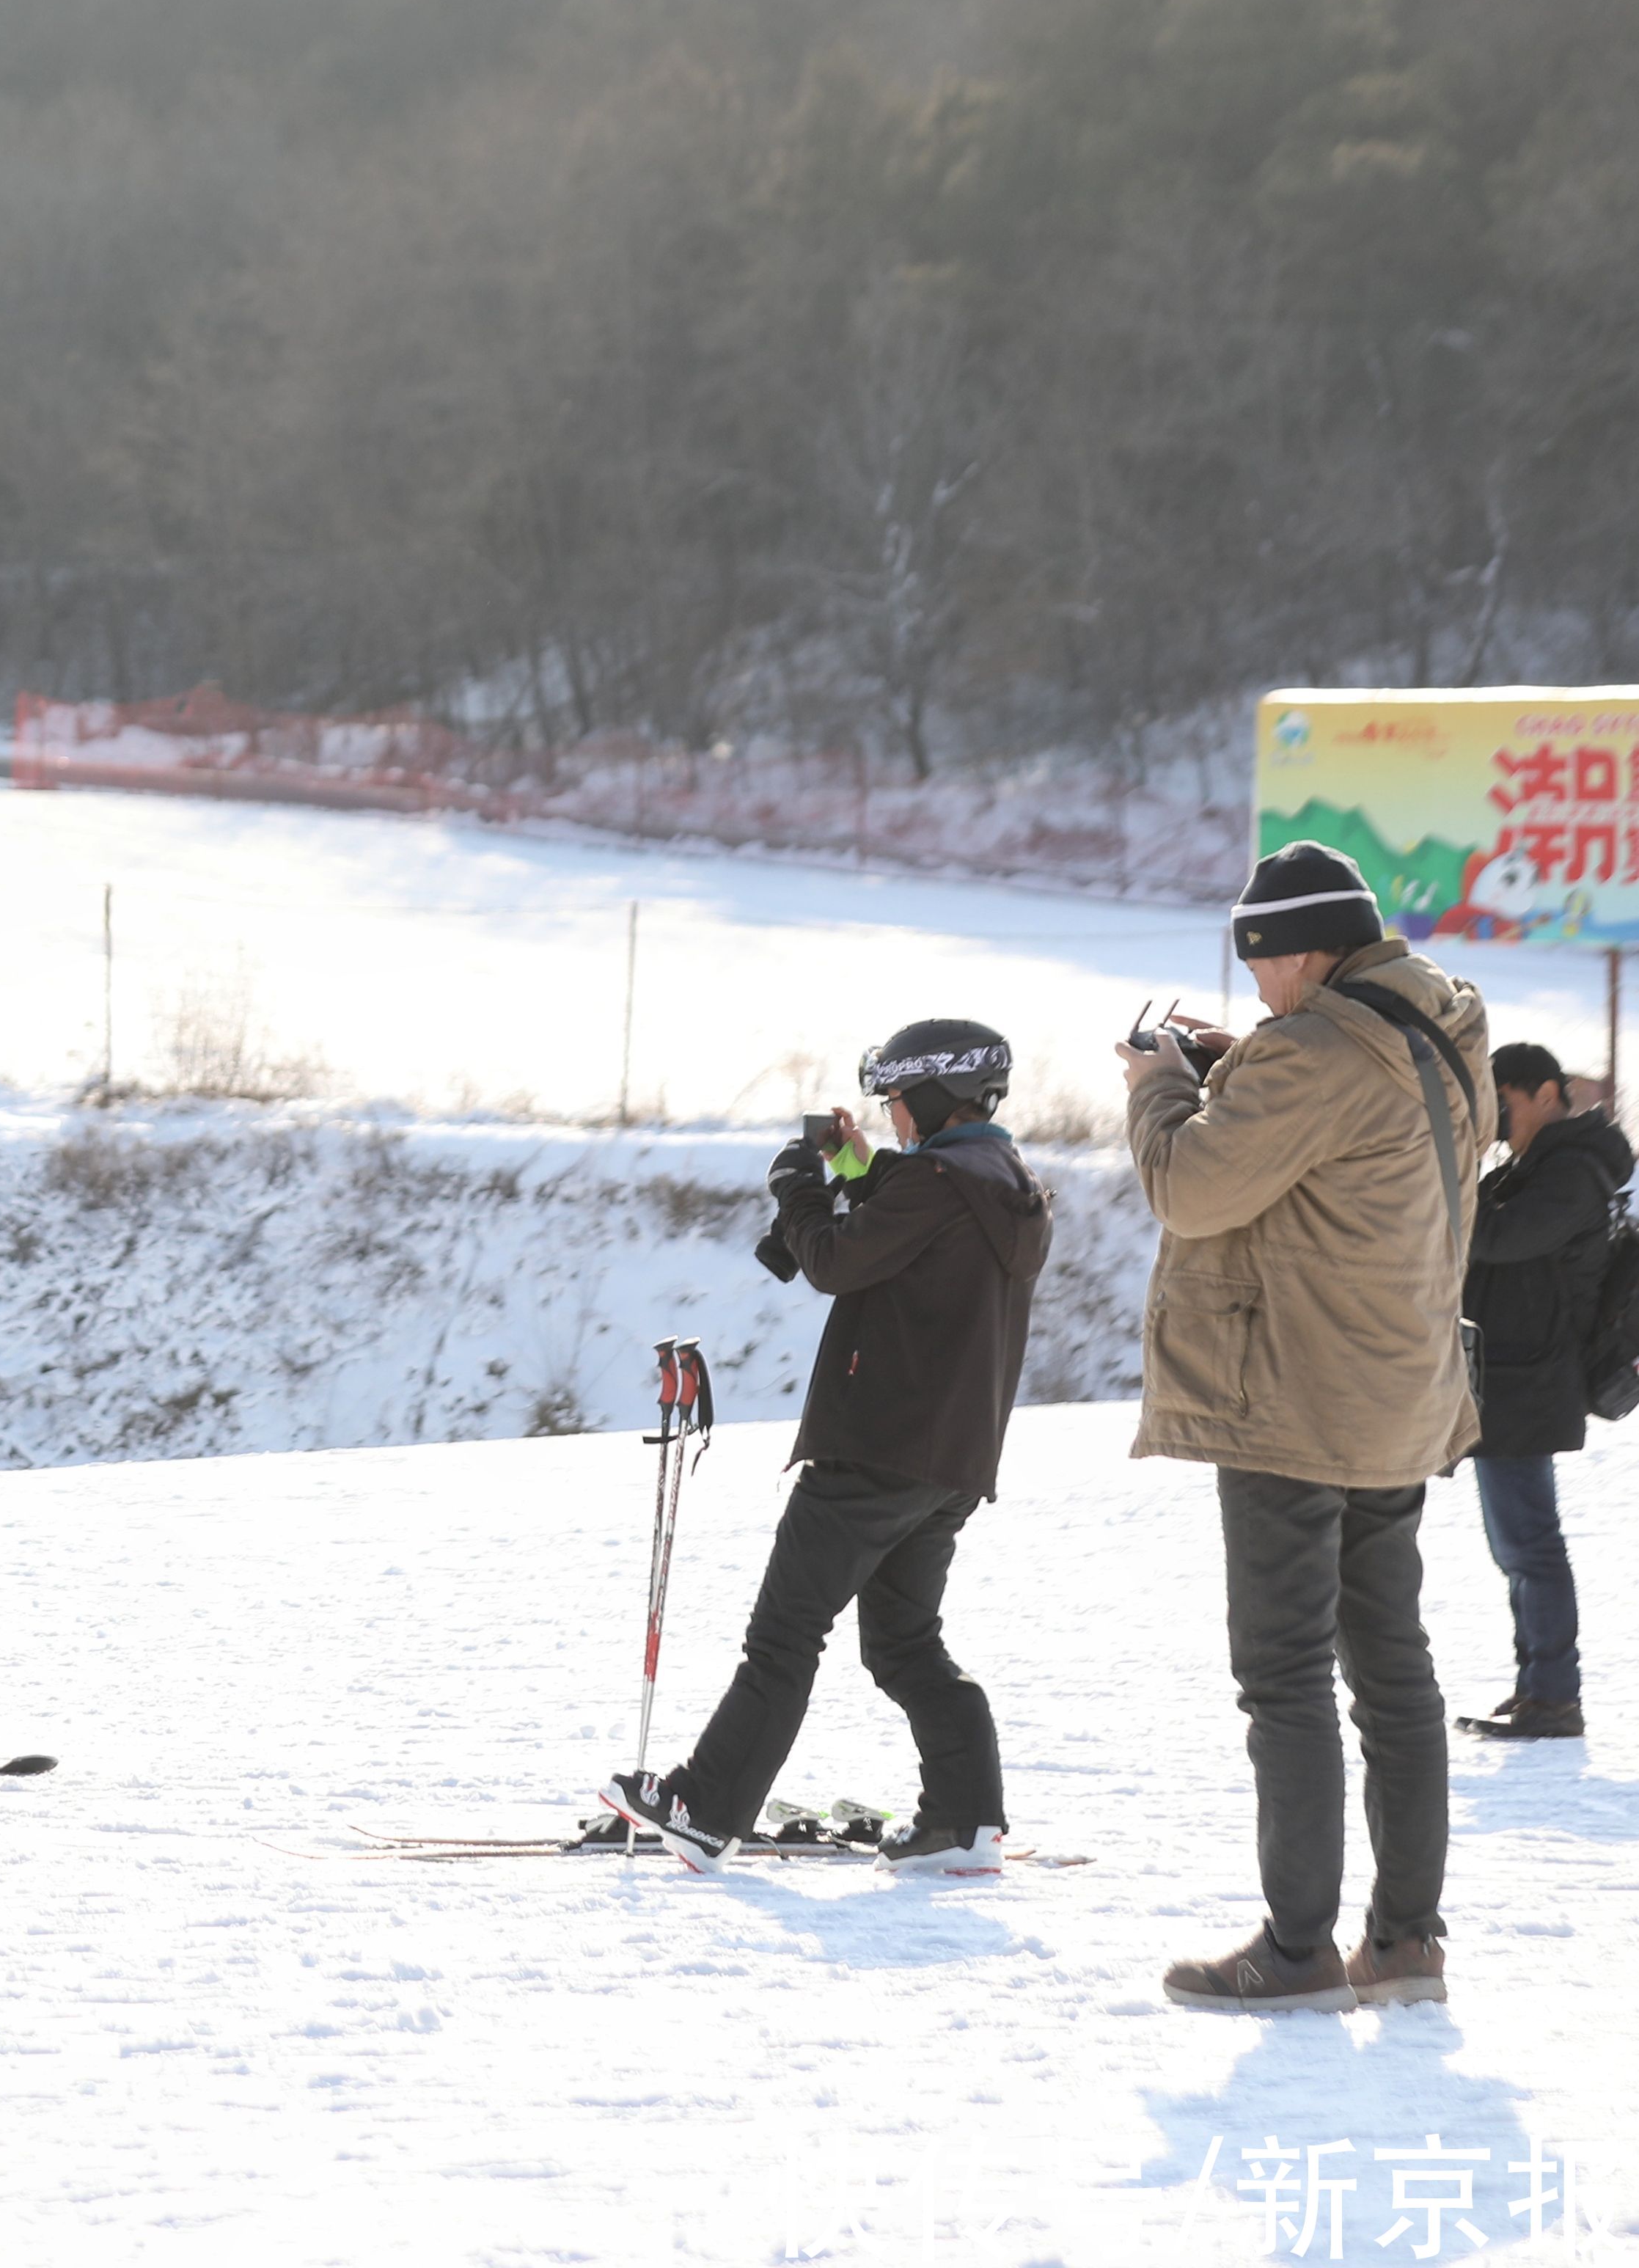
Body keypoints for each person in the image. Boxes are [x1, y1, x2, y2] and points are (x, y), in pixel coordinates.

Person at [1132, 841, 1488, 2013]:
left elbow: (1189, 1186)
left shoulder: (1314, 1048)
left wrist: (1161, 1083)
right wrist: (1254, 1067)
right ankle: (1403, 1942)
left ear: (1303, 949)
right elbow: (1344, 1120)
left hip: (1294, 1398)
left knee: (1281, 1673)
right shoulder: (1438, 1018)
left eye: (1264, 969)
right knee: (1393, 1669)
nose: (1259, 995)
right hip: (1403, 1390)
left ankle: (1293, 1951)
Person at [601, 1020, 1052, 1874]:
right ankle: (965, 1822)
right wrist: (856, 1169)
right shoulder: (1005, 1184)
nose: (891, 1122)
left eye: (895, 1106)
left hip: (873, 1450)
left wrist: (798, 1191)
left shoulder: (937, 1184)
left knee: (784, 1635)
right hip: (949, 1462)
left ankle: (703, 1809)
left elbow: (837, 1260)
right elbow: (916, 1210)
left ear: (927, 1096)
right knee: (905, 1643)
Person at [1456, 1042, 1622, 1741]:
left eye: (1506, 1101)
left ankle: (1554, 1697)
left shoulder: (1573, 1172)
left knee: (1531, 1544)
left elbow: (1495, 1237)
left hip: (1533, 1378)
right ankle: (1537, 1688)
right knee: (1517, 1545)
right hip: (1513, 1374)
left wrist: (1448, 1172)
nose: (1496, 1116)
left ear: (1548, 1094)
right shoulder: (1533, 1165)